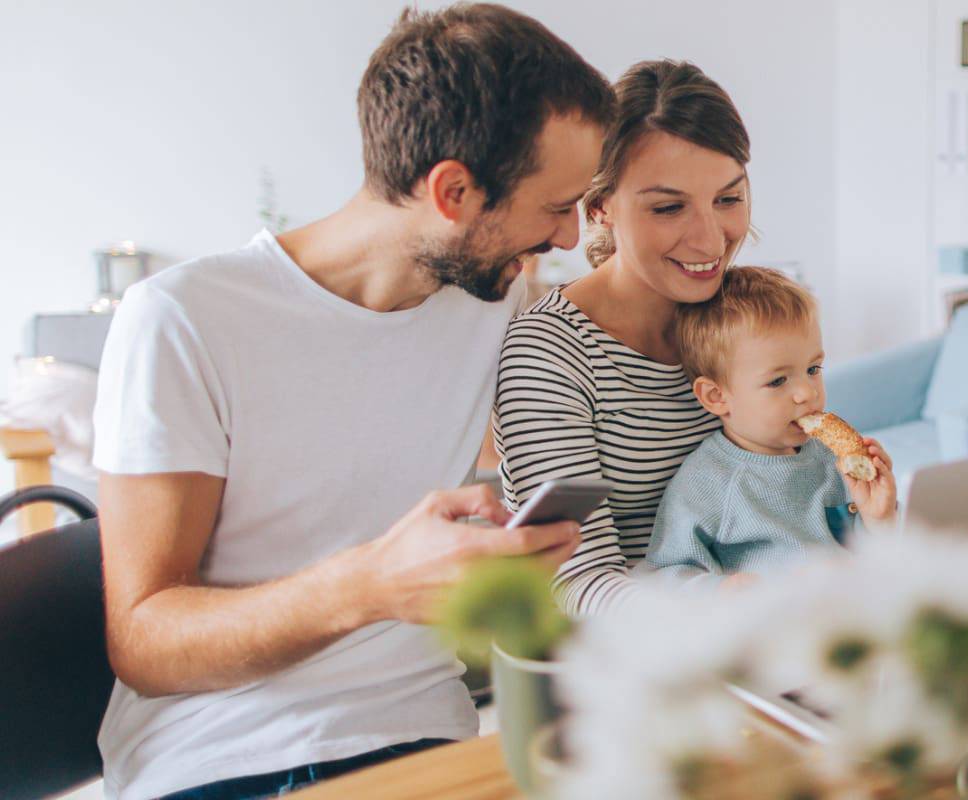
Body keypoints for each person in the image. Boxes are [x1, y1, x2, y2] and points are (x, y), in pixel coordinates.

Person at [92, 6, 612, 798]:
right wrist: (370, 585)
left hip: (430, 745)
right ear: (454, 191)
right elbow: (144, 644)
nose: (569, 236)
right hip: (225, 757)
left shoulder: (494, 305)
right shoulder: (185, 318)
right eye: (554, 207)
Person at [493, 60, 748, 616]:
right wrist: (721, 607)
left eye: (728, 199)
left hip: (764, 637)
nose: (711, 240)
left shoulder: (746, 317)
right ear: (600, 208)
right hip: (630, 662)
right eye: (669, 207)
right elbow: (577, 582)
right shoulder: (550, 354)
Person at [643, 267, 898, 589]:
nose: (808, 392)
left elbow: (875, 559)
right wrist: (723, 591)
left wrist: (878, 519)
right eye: (777, 380)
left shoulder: (831, 459)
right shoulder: (708, 481)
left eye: (813, 369)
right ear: (717, 396)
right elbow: (665, 574)